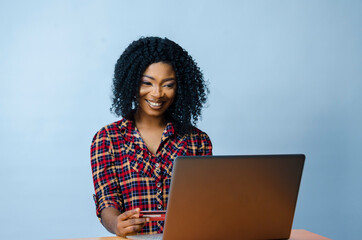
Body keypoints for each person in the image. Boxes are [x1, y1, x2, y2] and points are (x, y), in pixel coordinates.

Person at [90, 36, 212, 237]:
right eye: (147, 83)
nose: (157, 94)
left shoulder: (197, 142)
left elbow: (205, 202)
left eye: (168, 85)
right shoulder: (107, 139)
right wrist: (116, 224)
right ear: (130, 83)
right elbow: (107, 200)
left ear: (180, 87)